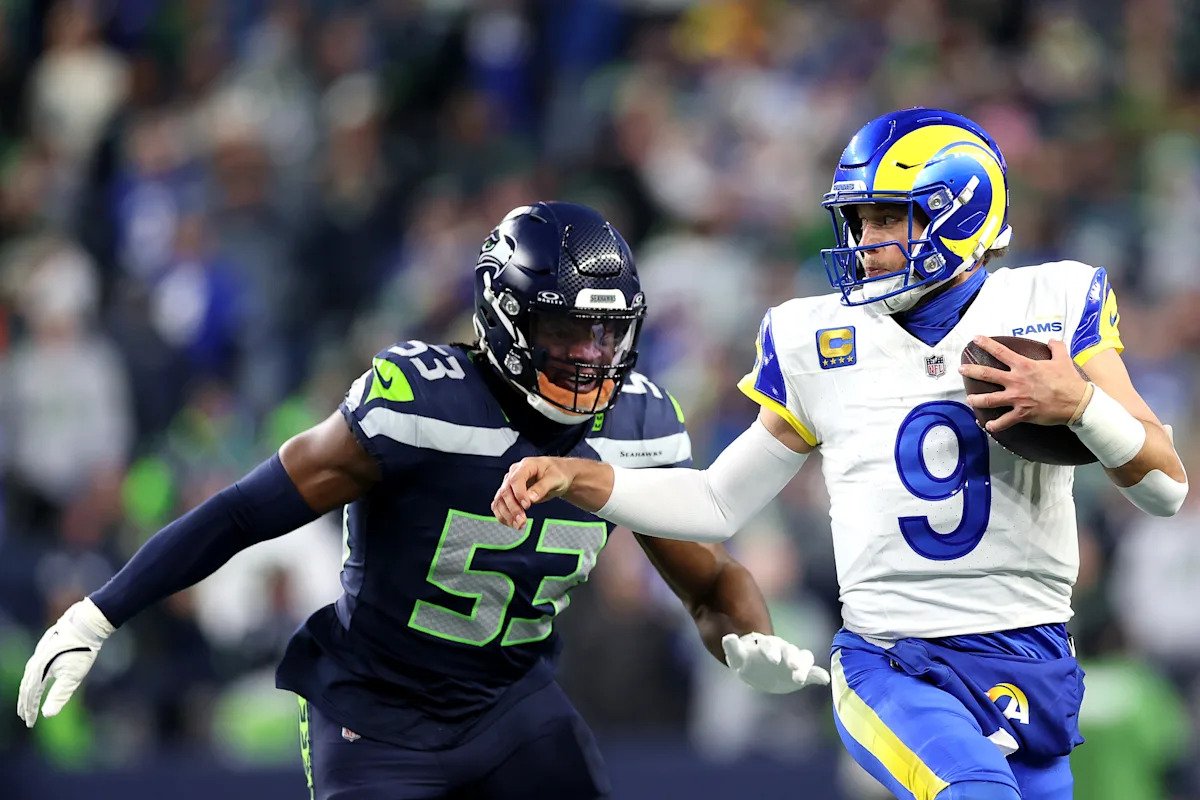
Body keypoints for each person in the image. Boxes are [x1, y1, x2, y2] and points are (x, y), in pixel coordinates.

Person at [17, 201, 830, 800]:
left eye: (606, 334)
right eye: (565, 333)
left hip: (509, 704)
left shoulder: (640, 424)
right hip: (375, 713)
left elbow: (709, 584)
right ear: (505, 318)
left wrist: (745, 644)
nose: (590, 357)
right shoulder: (422, 404)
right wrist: (99, 613)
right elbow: (242, 512)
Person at [491, 110, 1190, 800]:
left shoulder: (1050, 304)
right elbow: (715, 502)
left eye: (888, 218)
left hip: (1033, 658)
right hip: (894, 663)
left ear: (963, 210)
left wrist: (1082, 405)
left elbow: (1165, 490)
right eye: (859, 221)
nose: (866, 242)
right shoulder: (817, 338)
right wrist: (577, 476)